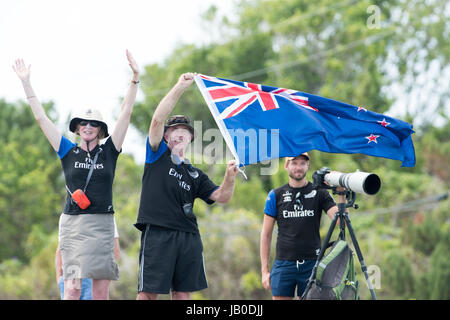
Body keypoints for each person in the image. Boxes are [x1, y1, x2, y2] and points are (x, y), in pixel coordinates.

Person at [13, 50, 140, 300]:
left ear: (101, 129)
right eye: (83, 123)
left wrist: (135, 78)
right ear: (77, 128)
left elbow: (125, 113)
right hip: (73, 224)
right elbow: (40, 118)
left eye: (93, 123)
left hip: (102, 223)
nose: (88, 127)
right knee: (71, 288)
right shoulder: (67, 151)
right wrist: (26, 82)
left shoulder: (109, 151)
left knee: (100, 291)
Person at [135, 72, 238, 300]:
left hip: (188, 236)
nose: (179, 134)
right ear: (166, 137)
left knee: (182, 295)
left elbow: (222, 196)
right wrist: (180, 87)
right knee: (147, 294)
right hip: (159, 232)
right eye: (174, 131)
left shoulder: (195, 173)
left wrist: (230, 176)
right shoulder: (157, 154)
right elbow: (156, 120)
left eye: (184, 131)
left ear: (190, 138)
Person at [260, 153, 347, 300]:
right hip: (283, 263)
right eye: (294, 163)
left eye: (302, 163)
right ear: (286, 165)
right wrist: (264, 270)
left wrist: (341, 193)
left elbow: (342, 222)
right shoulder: (276, 195)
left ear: (308, 166)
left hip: (311, 263)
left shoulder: (320, 193)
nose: (298, 167)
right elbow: (266, 235)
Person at [55, 218, 121, 300]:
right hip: (82, 272)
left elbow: (115, 249)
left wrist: (59, 278)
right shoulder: (103, 212)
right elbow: (60, 249)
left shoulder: (104, 212)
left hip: (83, 274)